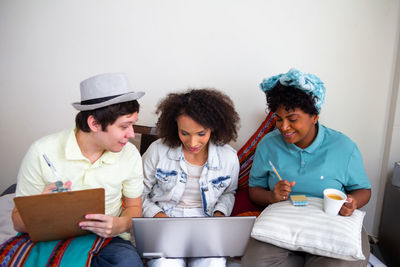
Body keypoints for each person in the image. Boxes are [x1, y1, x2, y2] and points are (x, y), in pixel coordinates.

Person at [11, 73, 145, 267]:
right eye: (125, 126)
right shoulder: (42, 151)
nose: (132, 134)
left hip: (107, 240)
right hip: (50, 236)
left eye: (133, 124)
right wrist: (40, 207)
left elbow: (134, 208)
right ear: (94, 123)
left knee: (127, 263)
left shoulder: (130, 154)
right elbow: (17, 223)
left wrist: (120, 225)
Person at [241, 69, 372, 267]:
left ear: (314, 116)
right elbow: (254, 191)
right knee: (254, 262)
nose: (283, 127)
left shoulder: (343, 147)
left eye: (292, 119)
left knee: (344, 263)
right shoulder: (268, 145)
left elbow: (363, 190)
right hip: (282, 223)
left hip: (331, 222)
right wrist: (271, 196)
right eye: (278, 118)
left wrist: (352, 202)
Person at [142, 88, 240, 267]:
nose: (193, 143)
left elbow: (229, 192)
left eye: (201, 134)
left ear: (214, 128)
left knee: (213, 263)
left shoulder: (229, 157)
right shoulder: (157, 151)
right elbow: (138, 194)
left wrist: (219, 216)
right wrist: (159, 217)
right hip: (164, 222)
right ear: (174, 127)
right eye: (184, 133)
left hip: (206, 224)